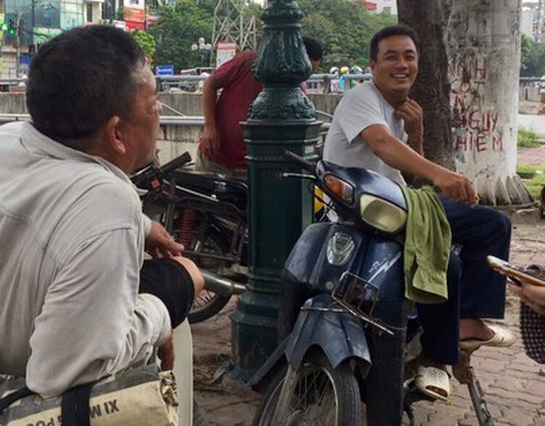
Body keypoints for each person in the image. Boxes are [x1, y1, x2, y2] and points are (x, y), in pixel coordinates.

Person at [0, 25, 204, 398]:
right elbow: (69, 370)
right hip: (10, 396)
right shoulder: (109, 202)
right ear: (117, 134)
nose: (160, 115)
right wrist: (171, 297)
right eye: (154, 103)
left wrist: (141, 226)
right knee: (173, 279)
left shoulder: (4, 141)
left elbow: (44, 202)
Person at [323, 25, 515, 400]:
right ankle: (435, 357)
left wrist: (417, 129)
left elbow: (408, 171)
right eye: (391, 56)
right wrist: (443, 175)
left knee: (493, 225)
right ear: (373, 65)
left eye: (409, 56)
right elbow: (380, 145)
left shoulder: (402, 110)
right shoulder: (361, 97)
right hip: (365, 211)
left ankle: (467, 321)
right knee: (444, 258)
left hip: (401, 203)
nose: (402, 64)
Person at [197, 36, 323, 176]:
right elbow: (210, 83)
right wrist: (209, 126)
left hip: (254, 165)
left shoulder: (298, 91)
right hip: (216, 157)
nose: (303, 77)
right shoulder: (250, 60)